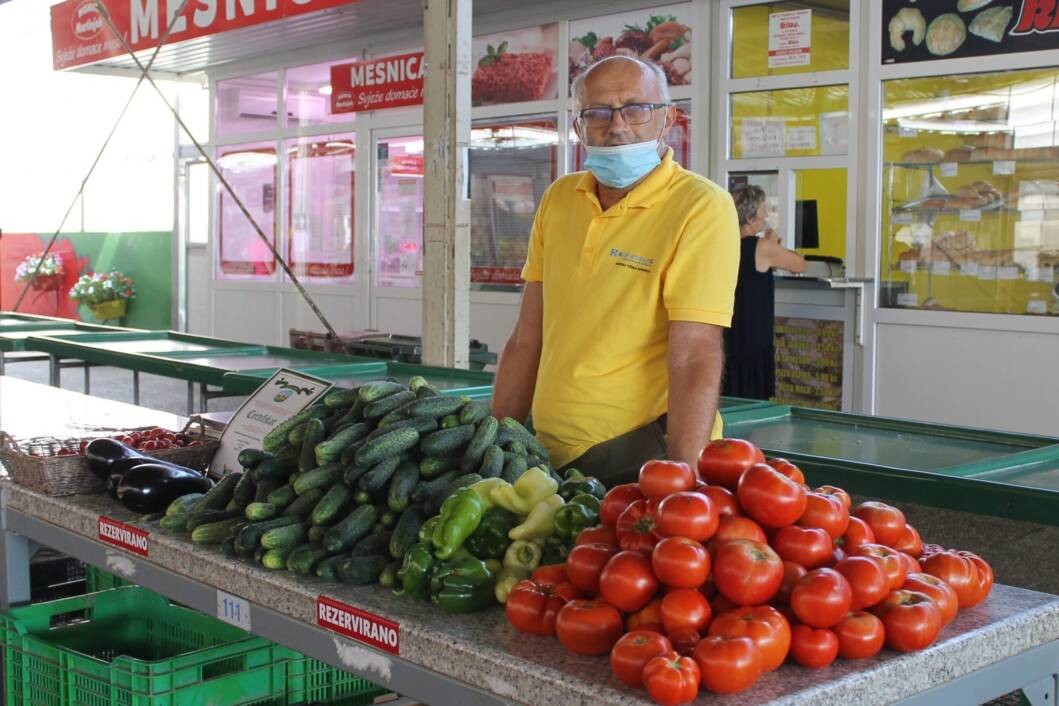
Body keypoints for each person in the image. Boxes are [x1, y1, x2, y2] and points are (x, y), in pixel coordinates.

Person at [491, 55, 740, 486]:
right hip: (547, 450)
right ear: (578, 127)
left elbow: (695, 353)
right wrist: (492, 444)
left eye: (636, 108)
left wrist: (685, 478)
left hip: (640, 452)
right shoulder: (559, 198)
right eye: (599, 112)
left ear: (668, 119)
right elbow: (526, 336)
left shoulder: (701, 206)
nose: (618, 125)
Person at [724, 185, 806, 400]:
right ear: (751, 217)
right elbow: (799, 264)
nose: (766, 214)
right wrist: (772, 243)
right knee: (751, 399)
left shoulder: (723, 241)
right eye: (762, 209)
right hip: (753, 336)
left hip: (726, 333)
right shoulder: (761, 247)